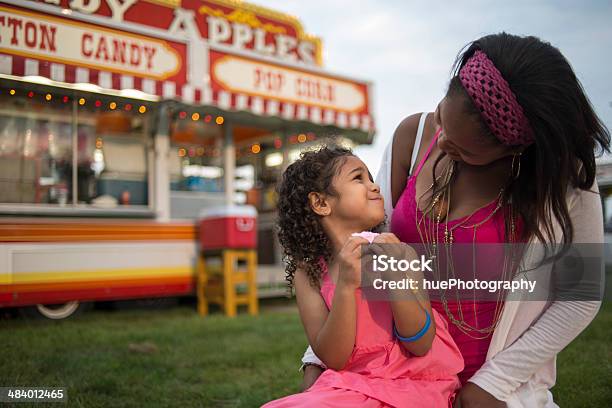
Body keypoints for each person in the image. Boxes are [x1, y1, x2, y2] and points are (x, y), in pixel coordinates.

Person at [300, 32, 610, 407]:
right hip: (388, 381)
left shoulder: (562, 178)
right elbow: (353, 251)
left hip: (494, 388)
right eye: (443, 118)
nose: (443, 141)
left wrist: (494, 383)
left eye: (463, 149)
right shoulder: (412, 138)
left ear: (513, 149)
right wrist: (318, 356)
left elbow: (578, 298)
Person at [263, 146, 464, 407]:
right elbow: (334, 358)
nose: (374, 186)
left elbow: (421, 344)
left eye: (370, 178)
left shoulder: (401, 254)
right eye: (358, 178)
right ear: (321, 203)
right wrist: (346, 286)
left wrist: (396, 278)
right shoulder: (310, 274)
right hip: (353, 384)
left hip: (413, 384)